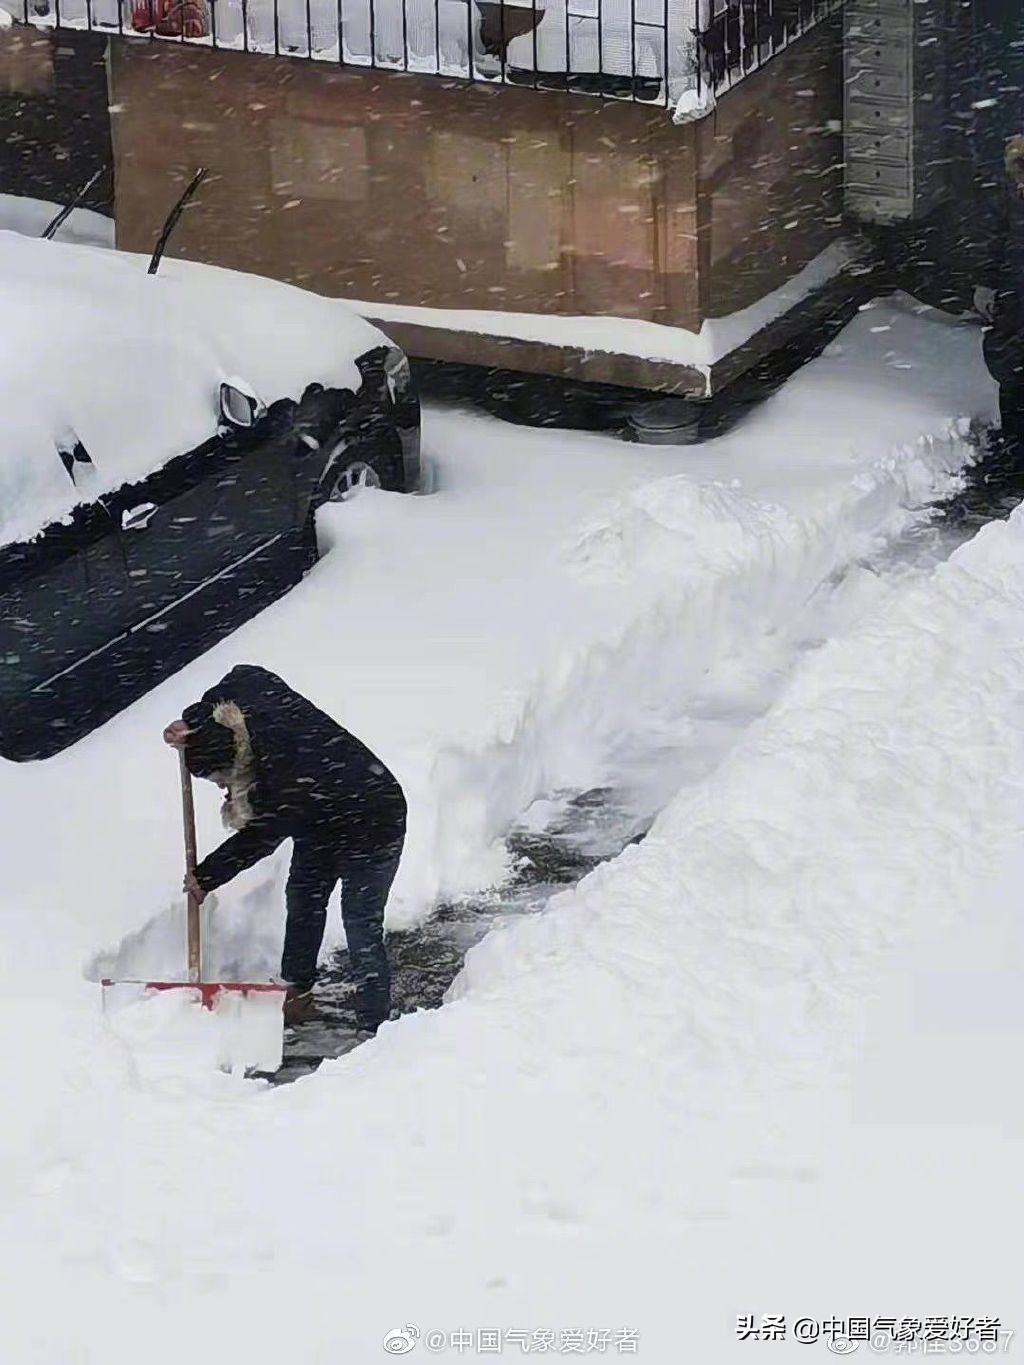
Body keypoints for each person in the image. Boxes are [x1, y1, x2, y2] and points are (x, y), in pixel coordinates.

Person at [163, 664, 406, 1031]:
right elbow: (246, 674)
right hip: (320, 812)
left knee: (359, 919)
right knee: (304, 897)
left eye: (220, 779)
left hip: (373, 815)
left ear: (232, 762)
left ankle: (376, 1025)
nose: (221, 787)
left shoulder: (281, 776)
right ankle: (296, 988)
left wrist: (207, 876)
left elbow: (262, 836)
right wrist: (193, 721)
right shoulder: (246, 704)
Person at [976, 134, 1024, 468]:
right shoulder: (1008, 198)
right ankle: (1016, 451)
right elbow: (995, 240)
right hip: (1014, 297)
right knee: (1012, 375)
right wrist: (986, 283)